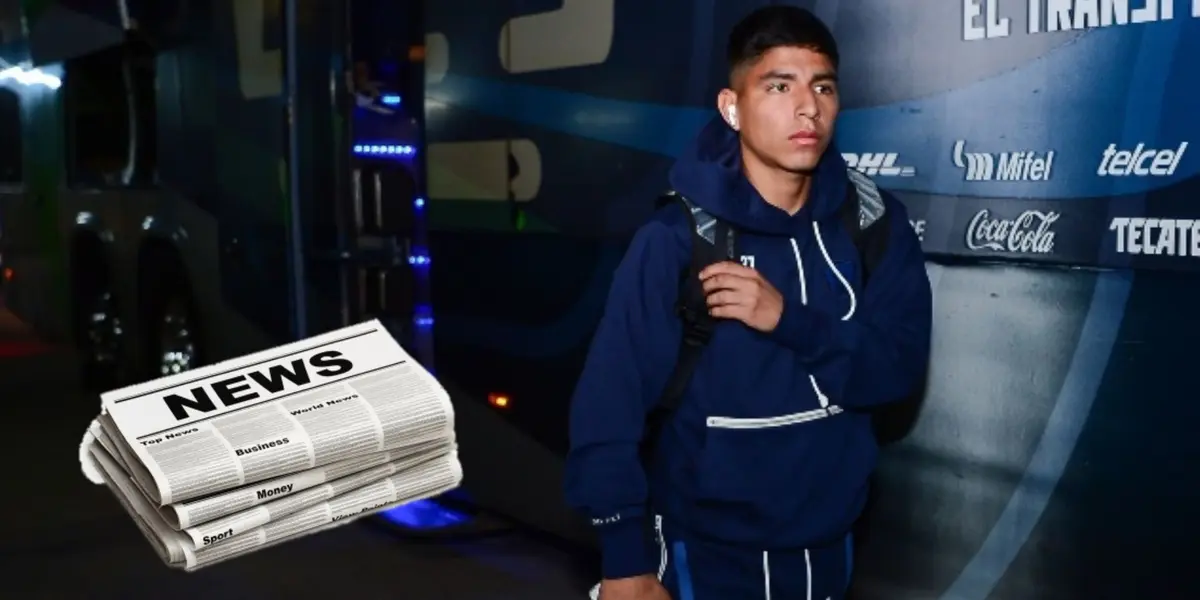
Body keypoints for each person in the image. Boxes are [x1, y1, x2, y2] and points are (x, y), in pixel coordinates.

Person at [563, 6, 933, 600]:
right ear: (732, 107)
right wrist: (623, 559)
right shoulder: (678, 240)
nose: (806, 107)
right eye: (778, 86)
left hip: (829, 546)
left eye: (823, 86)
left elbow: (895, 375)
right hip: (701, 551)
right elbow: (608, 406)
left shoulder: (874, 223)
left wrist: (787, 319)